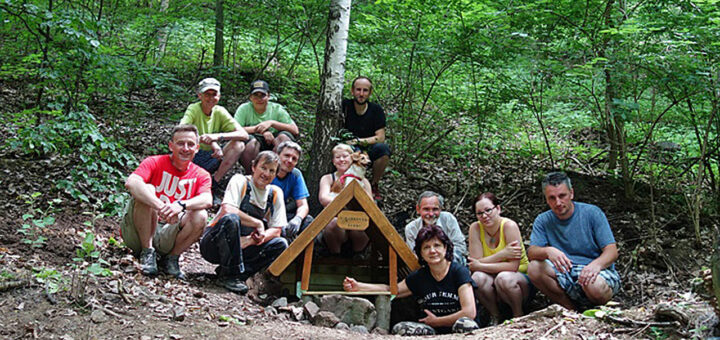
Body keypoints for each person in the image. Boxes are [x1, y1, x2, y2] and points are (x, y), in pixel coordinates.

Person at [343, 225, 479, 336]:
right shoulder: (420, 276)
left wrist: (438, 321)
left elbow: (469, 312)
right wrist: (359, 286)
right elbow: (390, 289)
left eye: (437, 245)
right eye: (426, 247)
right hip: (431, 331)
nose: (432, 251)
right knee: (400, 328)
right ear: (420, 253)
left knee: (467, 324)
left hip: (456, 328)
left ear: (445, 248)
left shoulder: (458, 272)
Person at [121, 124, 212, 279]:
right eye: (180, 143)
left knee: (201, 215)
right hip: (138, 231)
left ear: (197, 148)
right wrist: (160, 206)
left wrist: (180, 205)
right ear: (171, 146)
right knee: (147, 190)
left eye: (190, 144)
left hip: (168, 234)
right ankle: (147, 252)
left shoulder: (201, 174)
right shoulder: (154, 162)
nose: (185, 148)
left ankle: (171, 258)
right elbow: (132, 182)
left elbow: (207, 199)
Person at [527, 172, 621, 311]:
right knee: (534, 268)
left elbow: (612, 251)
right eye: (552, 198)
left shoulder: (592, 213)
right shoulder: (543, 220)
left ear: (571, 193)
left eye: (562, 196)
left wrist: (595, 265)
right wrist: (548, 251)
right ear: (546, 199)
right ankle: (570, 310)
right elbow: (532, 252)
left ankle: (598, 313)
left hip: (596, 271)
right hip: (565, 271)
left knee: (592, 284)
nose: (558, 203)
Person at [199, 151, 288, 293]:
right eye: (263, 168)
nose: (266, 173)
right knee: (231, 220)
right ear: (253, 167)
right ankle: (231, 275)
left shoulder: (275, 193)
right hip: (215, 243)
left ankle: (236, 274)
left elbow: (277, 229)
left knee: (280, 244)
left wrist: (251, 240)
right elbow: (228, 209)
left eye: (272, 170)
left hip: (245, 245)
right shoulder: (240, 181)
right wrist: (257, 223)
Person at [180, 77, 248, 202]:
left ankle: (213, 184)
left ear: (219, 96)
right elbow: (181, 130)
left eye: (214, 94)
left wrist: (217, 137)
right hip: (194, 155)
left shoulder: (220, 111)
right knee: (183, 146)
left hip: (212, 157)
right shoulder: (194, 109)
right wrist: (212, 143)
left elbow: (243, 135)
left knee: (238, 144)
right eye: (207, 94)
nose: (211, 98)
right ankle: (188, 182)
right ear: (200, 95)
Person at [468, 192, 532, 324]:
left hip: (518, 277)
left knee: (504, 277)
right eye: (479, 213)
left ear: (498, 209)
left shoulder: (509, 226)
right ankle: (495, 315)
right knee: (477, 278)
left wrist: (480, 265)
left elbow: (512, 266)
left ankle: (518, 315)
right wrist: (502, 255)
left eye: (488, 210)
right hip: (492, 277)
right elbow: (474, 264)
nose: (484, 216)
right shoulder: (475, 228)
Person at [318, 144, 372, 256]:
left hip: (356, 219)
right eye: (338, 157)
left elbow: (370, 203)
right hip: (336, 219)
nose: (342, 160)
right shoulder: (328, 178)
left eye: (345, 156)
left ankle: (358, 255)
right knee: (333, 223)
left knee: (365, 223)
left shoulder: (363, 181)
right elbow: (324, 199)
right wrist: (347, 199)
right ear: (333, 161)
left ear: (352, 159)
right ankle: (335, 256)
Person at [234, 80, 299, 174]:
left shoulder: (277, 109)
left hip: (274, 141)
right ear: (251, 97)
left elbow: (295, 130)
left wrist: (272, 123)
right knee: (251, 143)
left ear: (268, 96)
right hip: (255, 141)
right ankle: (252, 175)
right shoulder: (244, 109)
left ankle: (279, 173)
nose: (259, 99)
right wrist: (262, 130)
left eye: (262, 95)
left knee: (283, 138)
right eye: (256, 95)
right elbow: (235, 129)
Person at [342, 76, 391, 200]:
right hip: (349, 146)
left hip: (368, 147)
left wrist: (360, 141)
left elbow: (380, 137)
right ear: (352, 91)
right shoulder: (345, 106)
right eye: (358, 90)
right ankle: (343, 182)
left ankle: (374, 184)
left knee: (383, 149)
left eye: (365, 90)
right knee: (342, 149)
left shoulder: (376, 110)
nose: (361, 94)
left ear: (370, 93)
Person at [404, 191, 467, 266]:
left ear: (440, 209)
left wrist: (440, 260)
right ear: (418, 209)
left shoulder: (448, 219)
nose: (431, 214)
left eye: (435, 209)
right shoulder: (411, 228)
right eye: (426, 209)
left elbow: (460, 247)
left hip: (452, 264)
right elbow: (415, 255)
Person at [272, 141, 314, 242]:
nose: (289, 160)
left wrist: (297, 219)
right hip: (264, 213)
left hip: (283, 213)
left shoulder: (295, 175)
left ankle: (301, 255)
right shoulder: (267, 170)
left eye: (294, 159)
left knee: (308, 221)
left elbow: (303, 205)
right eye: (286, 156)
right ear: (277, 155)